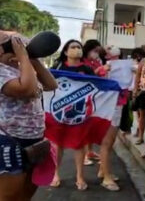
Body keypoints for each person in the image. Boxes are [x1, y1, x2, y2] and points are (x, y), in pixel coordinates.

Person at [0, 29, 57, 200]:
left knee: (24, 196)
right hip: (7, 142)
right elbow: (27, 89)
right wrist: (24, 57)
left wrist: (31, 58)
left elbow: (50, 84)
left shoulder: (21, 67)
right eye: (7, 39)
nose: (15, 40)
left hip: (33, 141)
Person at [49, 39, 94, 190]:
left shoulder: (87, 70)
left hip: (80, 114)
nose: (76, 49)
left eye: (79, 47)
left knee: (79, 144)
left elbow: (96, 87)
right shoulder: (57, 67)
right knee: (58, 144)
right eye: (73, 47)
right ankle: (55, 173)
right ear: (66, 52)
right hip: (59, 112)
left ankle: (80, 176)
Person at [98, 45, 127, 191]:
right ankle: (106, 178)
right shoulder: (102, 67)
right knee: (107, 141)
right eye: (109, 50)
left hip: (119, 104)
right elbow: (95, 78)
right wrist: (103, 70)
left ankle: (103, 170)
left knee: (111, 141)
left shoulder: (124, 66)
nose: (112, 51)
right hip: (108, 105)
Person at [132, 48, 145, 144]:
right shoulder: (144, 61)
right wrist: (136, 89)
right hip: (144, 90)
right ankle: (141, 136)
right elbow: (138, 76)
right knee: (142, 115)